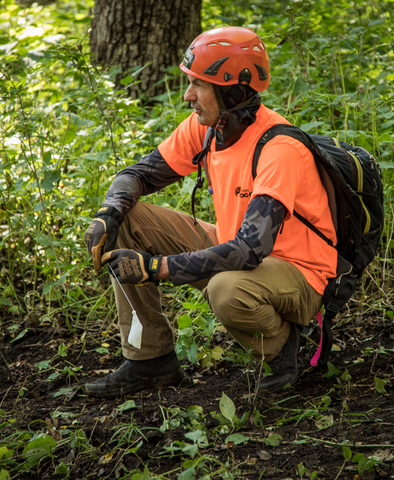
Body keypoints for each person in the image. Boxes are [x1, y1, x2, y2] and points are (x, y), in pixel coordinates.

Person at [83, 26, 337, 398]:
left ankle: (284, 349)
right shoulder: (209, 129)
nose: (188, 96)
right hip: (236, 247)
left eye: (198, 85)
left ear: (232, 89)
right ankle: (150, 359)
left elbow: (250, 249)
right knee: (128, 219)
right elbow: (136, 175)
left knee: (226, 288)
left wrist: (156, 268)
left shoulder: (279, 148)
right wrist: (108, 212)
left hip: (299, 272)